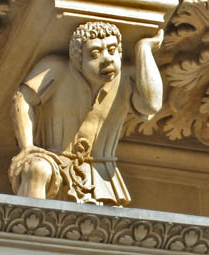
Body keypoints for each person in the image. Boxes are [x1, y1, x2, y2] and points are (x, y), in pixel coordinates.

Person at [10, 21, 164, 205]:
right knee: (36, 169)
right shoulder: (56, 69)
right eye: (95, 54)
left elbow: (151, 104)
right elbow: (22, 98)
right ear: (77, 60)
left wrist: (143, 49)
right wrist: (27, 147)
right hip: (54, 162)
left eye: (113, 50)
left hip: (101, 172)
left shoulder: (124, 78)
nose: (107, 58)